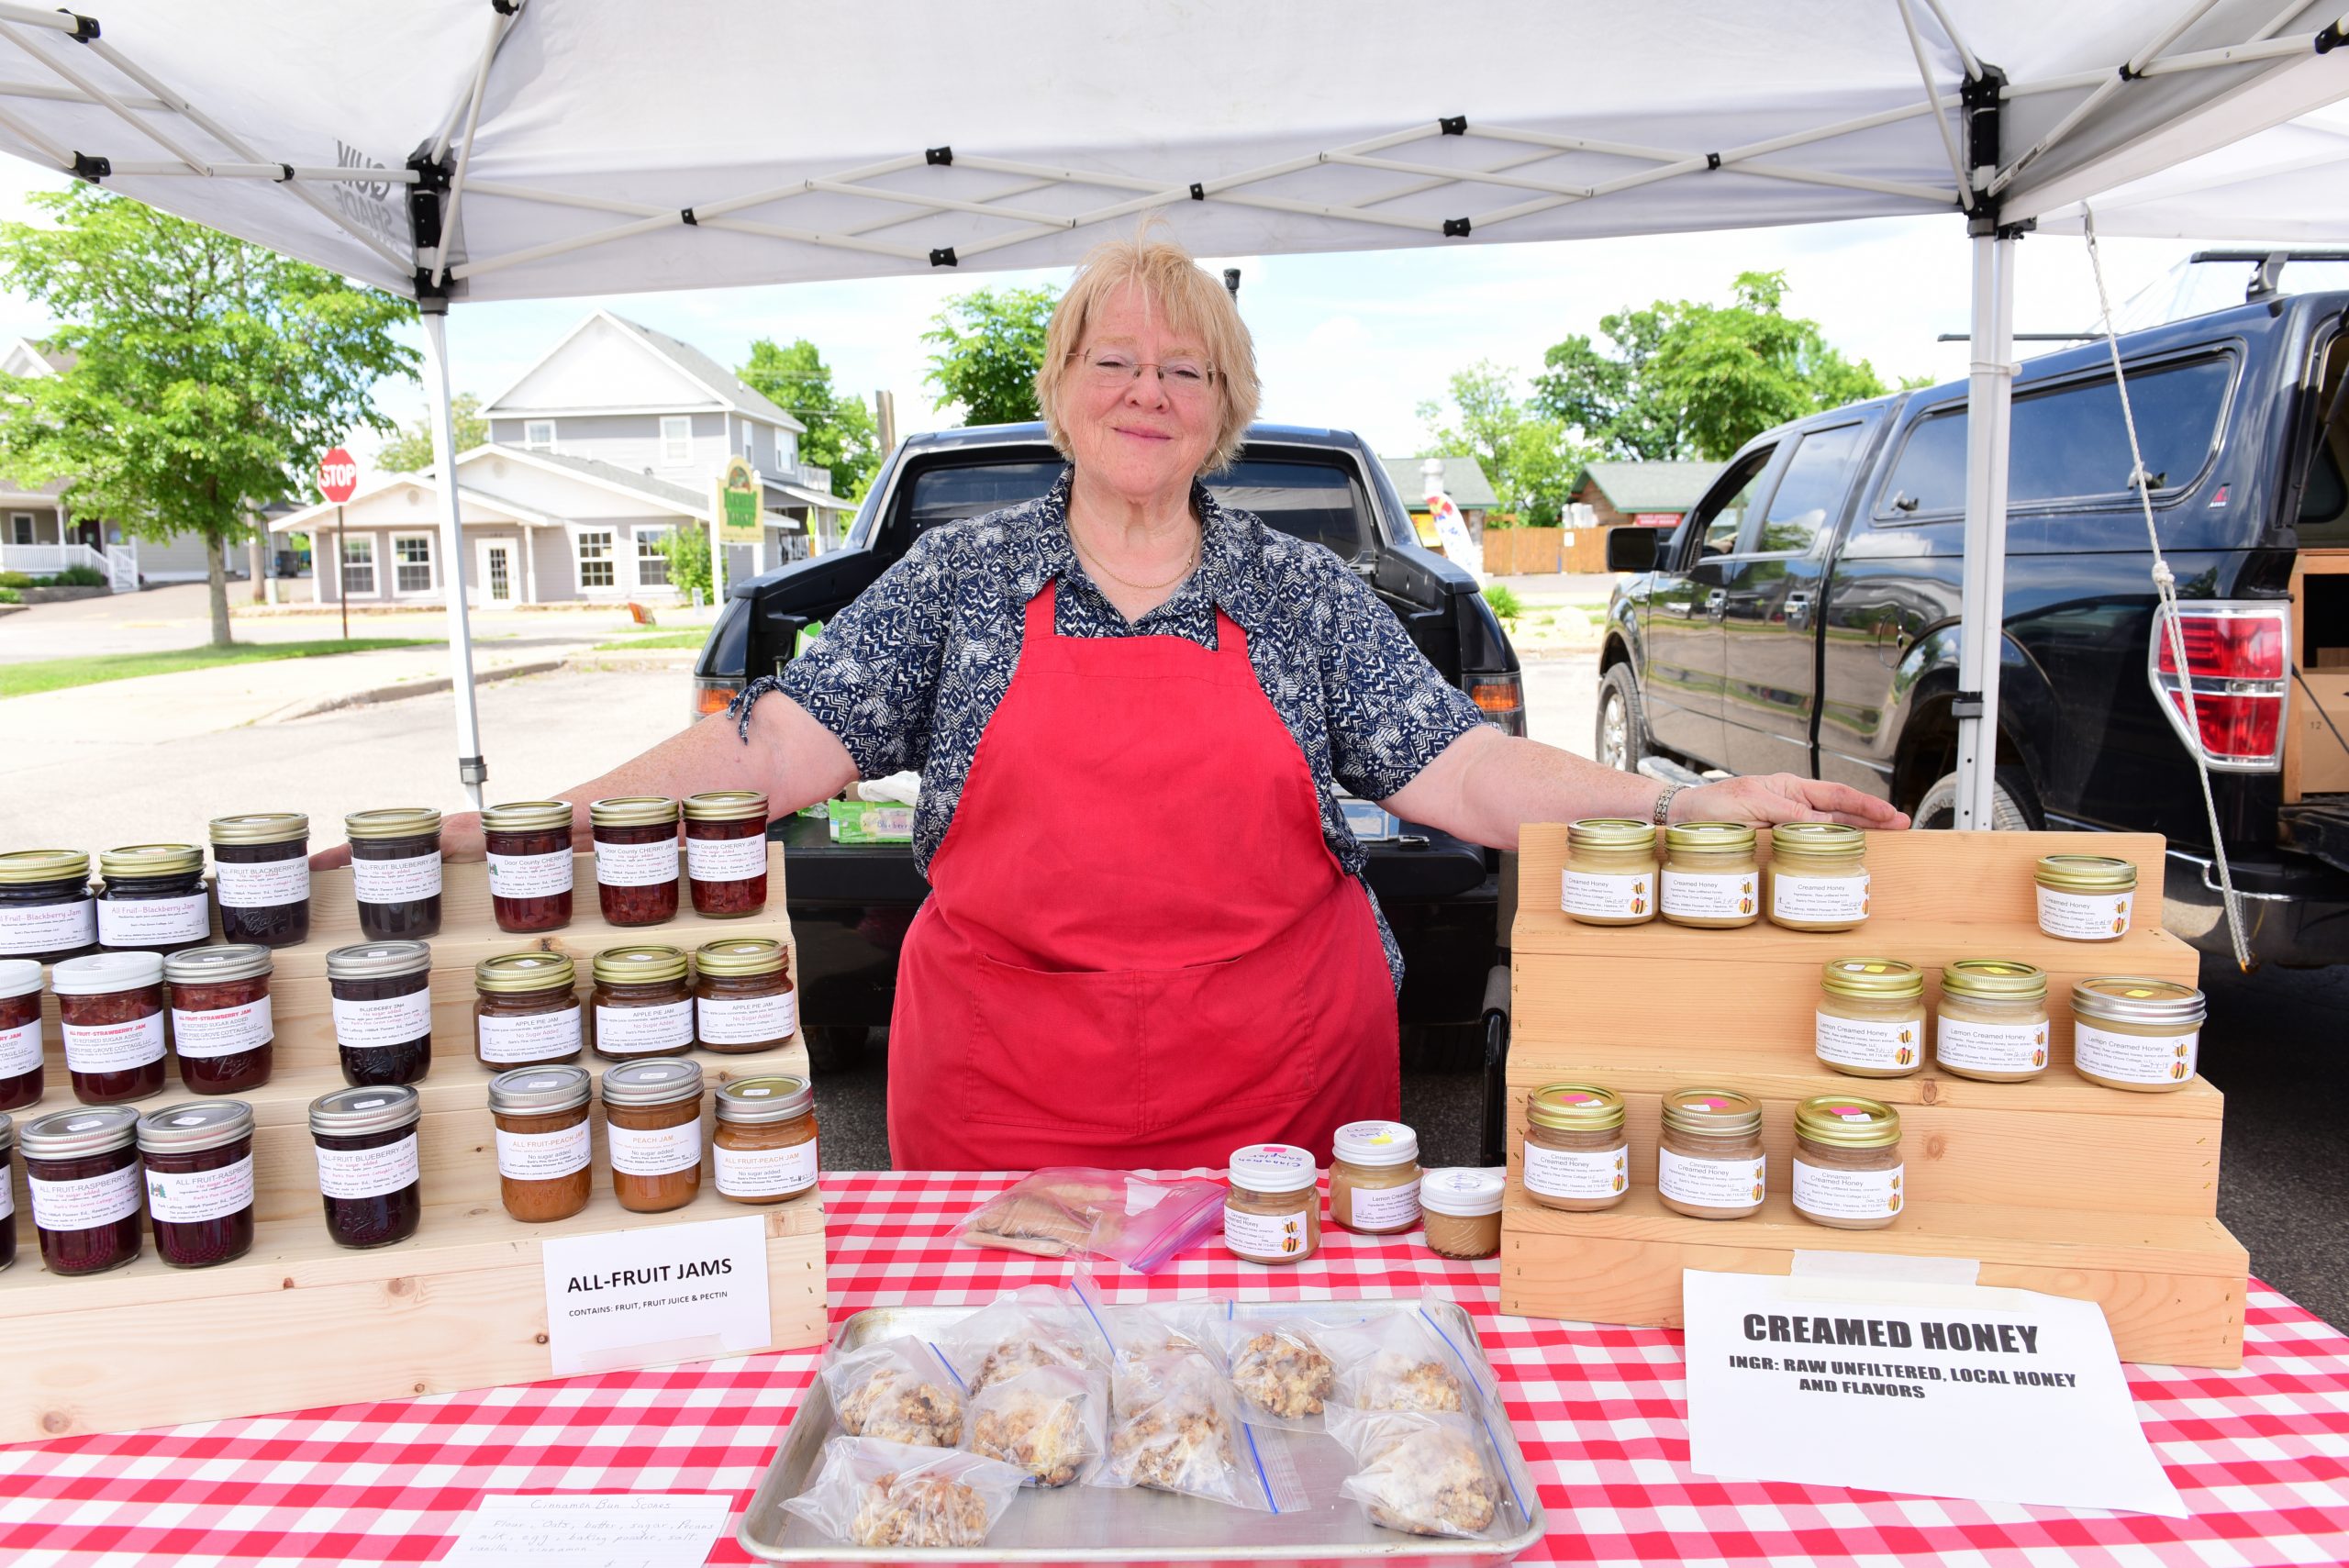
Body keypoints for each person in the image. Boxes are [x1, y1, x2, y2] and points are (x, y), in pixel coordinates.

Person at [381, 231, 1906, 1171]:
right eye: (1113, 359)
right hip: (1004, 1101)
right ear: (1059, 388)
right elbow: (765, 746)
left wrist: (1686, 800)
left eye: (1186, 370)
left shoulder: (1301, 593)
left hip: (1278, 1098)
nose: (1147, 390)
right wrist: (530, 829)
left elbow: (1464, 768)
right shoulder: (959, 580)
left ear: (1225, 409)